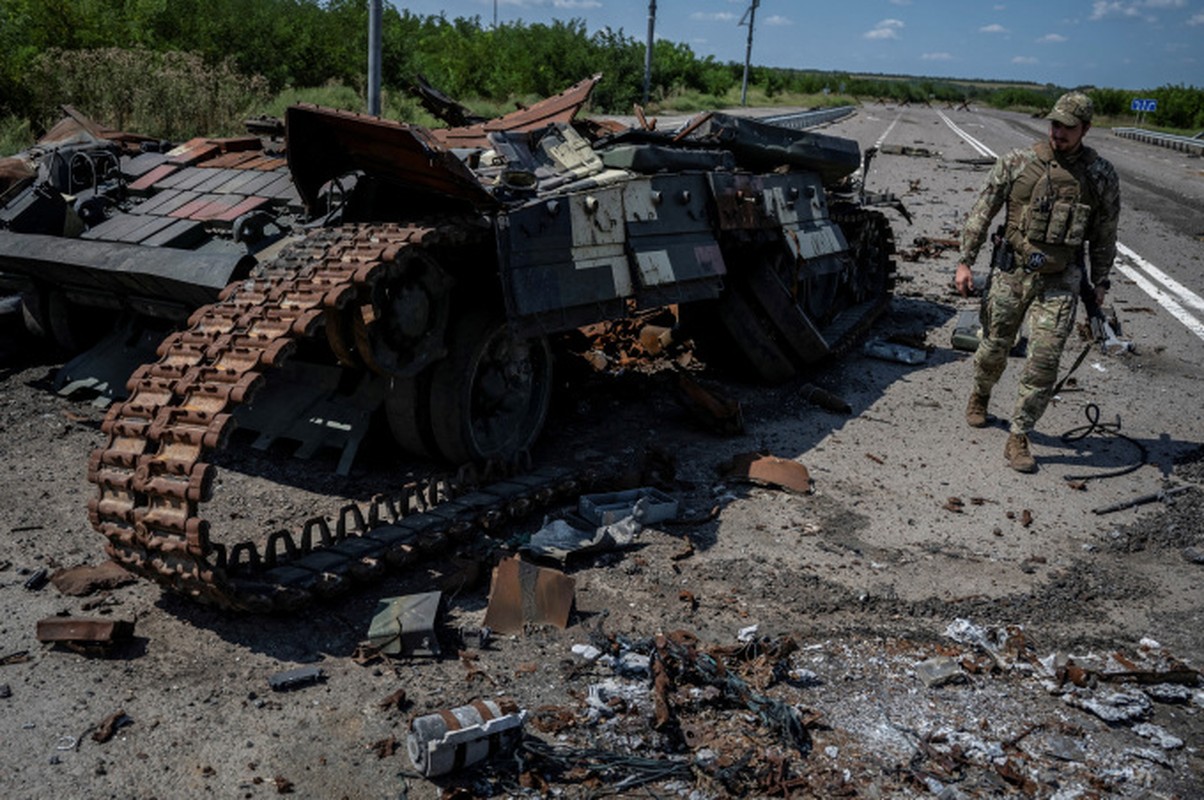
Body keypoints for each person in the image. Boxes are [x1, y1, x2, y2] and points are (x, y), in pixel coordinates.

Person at [953, 91, 1120, 472]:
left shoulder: (1099, 175)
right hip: (1012, 273)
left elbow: (1106, 232)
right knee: (995, 346)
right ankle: (980, 394)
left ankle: (1019, 435)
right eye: (1055, 124)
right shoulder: (1017, 162)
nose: (1058, 133)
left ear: (1086, 129)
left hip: (1061, 279)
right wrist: (965, 262)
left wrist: (1101, 281)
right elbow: (983, 210)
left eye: (1068, 127)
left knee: (1044, 362)